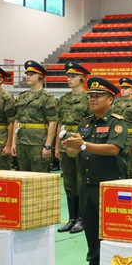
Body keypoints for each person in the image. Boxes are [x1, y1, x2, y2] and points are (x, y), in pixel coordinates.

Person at [61, 77, 127, 265]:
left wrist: (83, 145)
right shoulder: (85, 124)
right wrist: (71, 148)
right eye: (91, 95)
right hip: (87, 183)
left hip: (109, 184)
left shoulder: (117, 123)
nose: (93, 99)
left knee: (110, 229)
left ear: (111, 99)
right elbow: (75, 153)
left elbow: (113, 149)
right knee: (90, 227)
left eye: (99, 95)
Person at [56, 62, 92, 234]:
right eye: (68, 76)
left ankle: (82, 218)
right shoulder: (64, 99)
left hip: (80, 141)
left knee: (81, 179)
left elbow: (91, 123)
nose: (69, 79)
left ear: (82, 79)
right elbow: (60, 123)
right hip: (65, 141)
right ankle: (72, 218)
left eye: (73, 76)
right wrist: (57, 145)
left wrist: (85, 144)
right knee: (69, 181)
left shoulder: (88, 98)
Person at [13, 61, 57, 173]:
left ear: (40, 77)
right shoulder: (22, 97)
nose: (28, 77)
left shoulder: (46, 97)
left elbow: (52, 122)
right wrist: (14, 142)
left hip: (38, 143)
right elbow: (16, 120)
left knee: (39, 175)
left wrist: (48, 145)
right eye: (27, 74)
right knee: (24, 175)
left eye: (31, 74)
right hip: (22, 142)